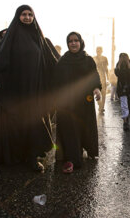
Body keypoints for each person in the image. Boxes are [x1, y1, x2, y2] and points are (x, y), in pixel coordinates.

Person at [0, 5, 59, 172]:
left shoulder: (39, 38)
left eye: (30, 14)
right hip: (16, 88)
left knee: (34, 122)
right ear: (17, 16)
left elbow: (52, 60)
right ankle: (13, 155)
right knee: (15, 122)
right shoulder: (11, 36)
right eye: (23, 14)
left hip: (35, 89)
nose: (27, 17)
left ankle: (32, 158)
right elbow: (2, 58)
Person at [53, 32, 101, 173]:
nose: (73, 43)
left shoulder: (88, 60)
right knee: (70, 130)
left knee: (84, 127)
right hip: (67, 103)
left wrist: (97, 88)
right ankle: (72, 160)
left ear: (81, 42)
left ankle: (87, 150)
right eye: (70, 41)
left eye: (76, 41)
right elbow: (56, 81)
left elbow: (94, 77)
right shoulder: (63, 61)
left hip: (84, 102)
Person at [115, 53, 130, 131]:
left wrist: (127, 62)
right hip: (121, 87)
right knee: (124, 105)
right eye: (122, 57)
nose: (123, 59)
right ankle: (125, 122)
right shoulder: (118, 64)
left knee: (129, 106)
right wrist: (119, 63)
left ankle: (127, 119)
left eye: (125, 57)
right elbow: (117, 73)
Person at [94, 46, 108, 113]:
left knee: (104, 93)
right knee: (98, 92)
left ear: (102, 51)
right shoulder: (93, 58)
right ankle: (100, 105)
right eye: (97, 50)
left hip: (103, 77)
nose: (98, 52)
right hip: (96, 78)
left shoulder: (104, 58)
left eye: (99, 50)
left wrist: (108, 78)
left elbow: (106, 69)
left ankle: (102, 107)